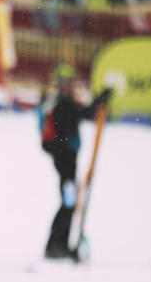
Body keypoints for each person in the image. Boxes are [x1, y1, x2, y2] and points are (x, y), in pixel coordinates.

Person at [37, 63, 111, 260]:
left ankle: (60, 244)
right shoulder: (62, 104)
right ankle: (56, 246)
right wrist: (101, 99)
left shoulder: (58, 103)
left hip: (65, 159)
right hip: (65, 160)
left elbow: (84, 113)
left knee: (69, 202)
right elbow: (85, 114)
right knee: (68, 203)